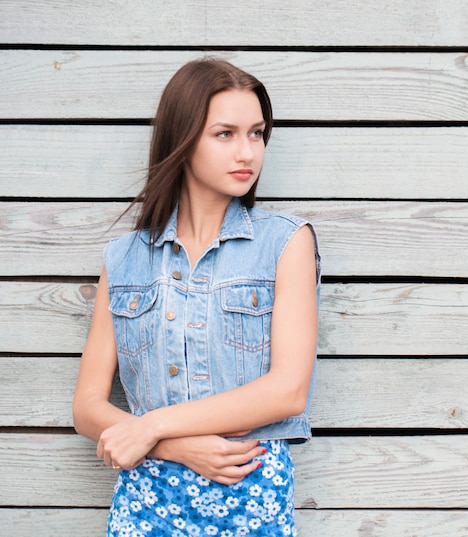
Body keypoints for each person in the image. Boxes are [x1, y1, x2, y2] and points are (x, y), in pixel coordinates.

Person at [73, 58, 320, 537]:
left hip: (250, 492)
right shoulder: (124, 257)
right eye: (224, 134)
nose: (247, 151)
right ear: (182, 140)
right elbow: (87, 405)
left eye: (257, 133)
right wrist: (169, 444)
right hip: (146, 495)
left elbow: (288, 390)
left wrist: (151, 425)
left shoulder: (285, 242)